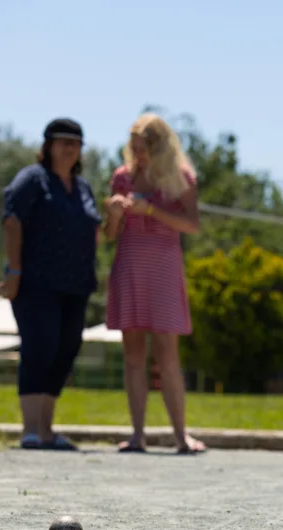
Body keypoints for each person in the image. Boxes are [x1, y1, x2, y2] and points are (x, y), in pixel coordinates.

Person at [102, 113, 205, 455]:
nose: (137, 155)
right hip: (129, 266)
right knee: (133, 355)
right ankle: (137, 435)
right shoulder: (121, 177)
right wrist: (115, 214)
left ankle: (180, 435)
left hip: (163, 268)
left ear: (159, 147)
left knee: (167, 355)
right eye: (133, 149)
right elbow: (109, 236)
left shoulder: (180, 178)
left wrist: (151, 212)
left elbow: (192, 225)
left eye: (143, 149)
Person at [0, 118, 103, 451]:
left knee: (65, 348)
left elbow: (94, 230)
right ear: (48, 146)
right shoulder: (33, 179)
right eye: (62, 142)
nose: (69, 148)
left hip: (75, 284)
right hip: (35, 282)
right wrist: (13, 272)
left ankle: (46, 429)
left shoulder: (82, 187)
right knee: (39, 347)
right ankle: (30, 429)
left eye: (75, 143)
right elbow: (12, 221)